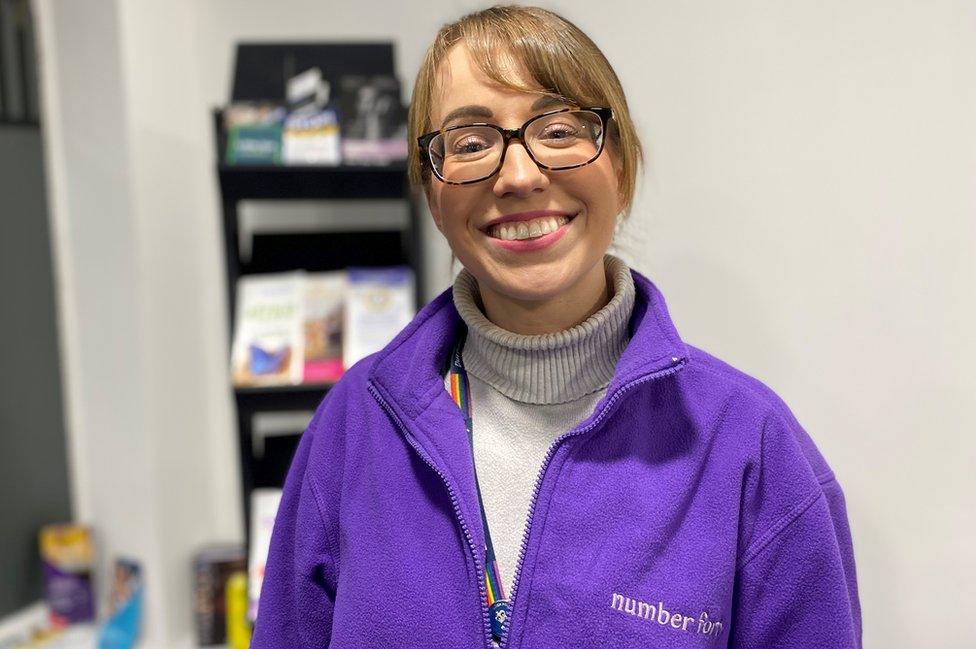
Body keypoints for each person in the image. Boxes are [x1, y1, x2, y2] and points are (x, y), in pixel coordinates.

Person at [251, 6, 862, 648]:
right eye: (469, 144)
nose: (518, 175)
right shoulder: (357, 426)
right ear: (433, 197)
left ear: (621, 168)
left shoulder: (753, 449)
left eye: (560, 129)